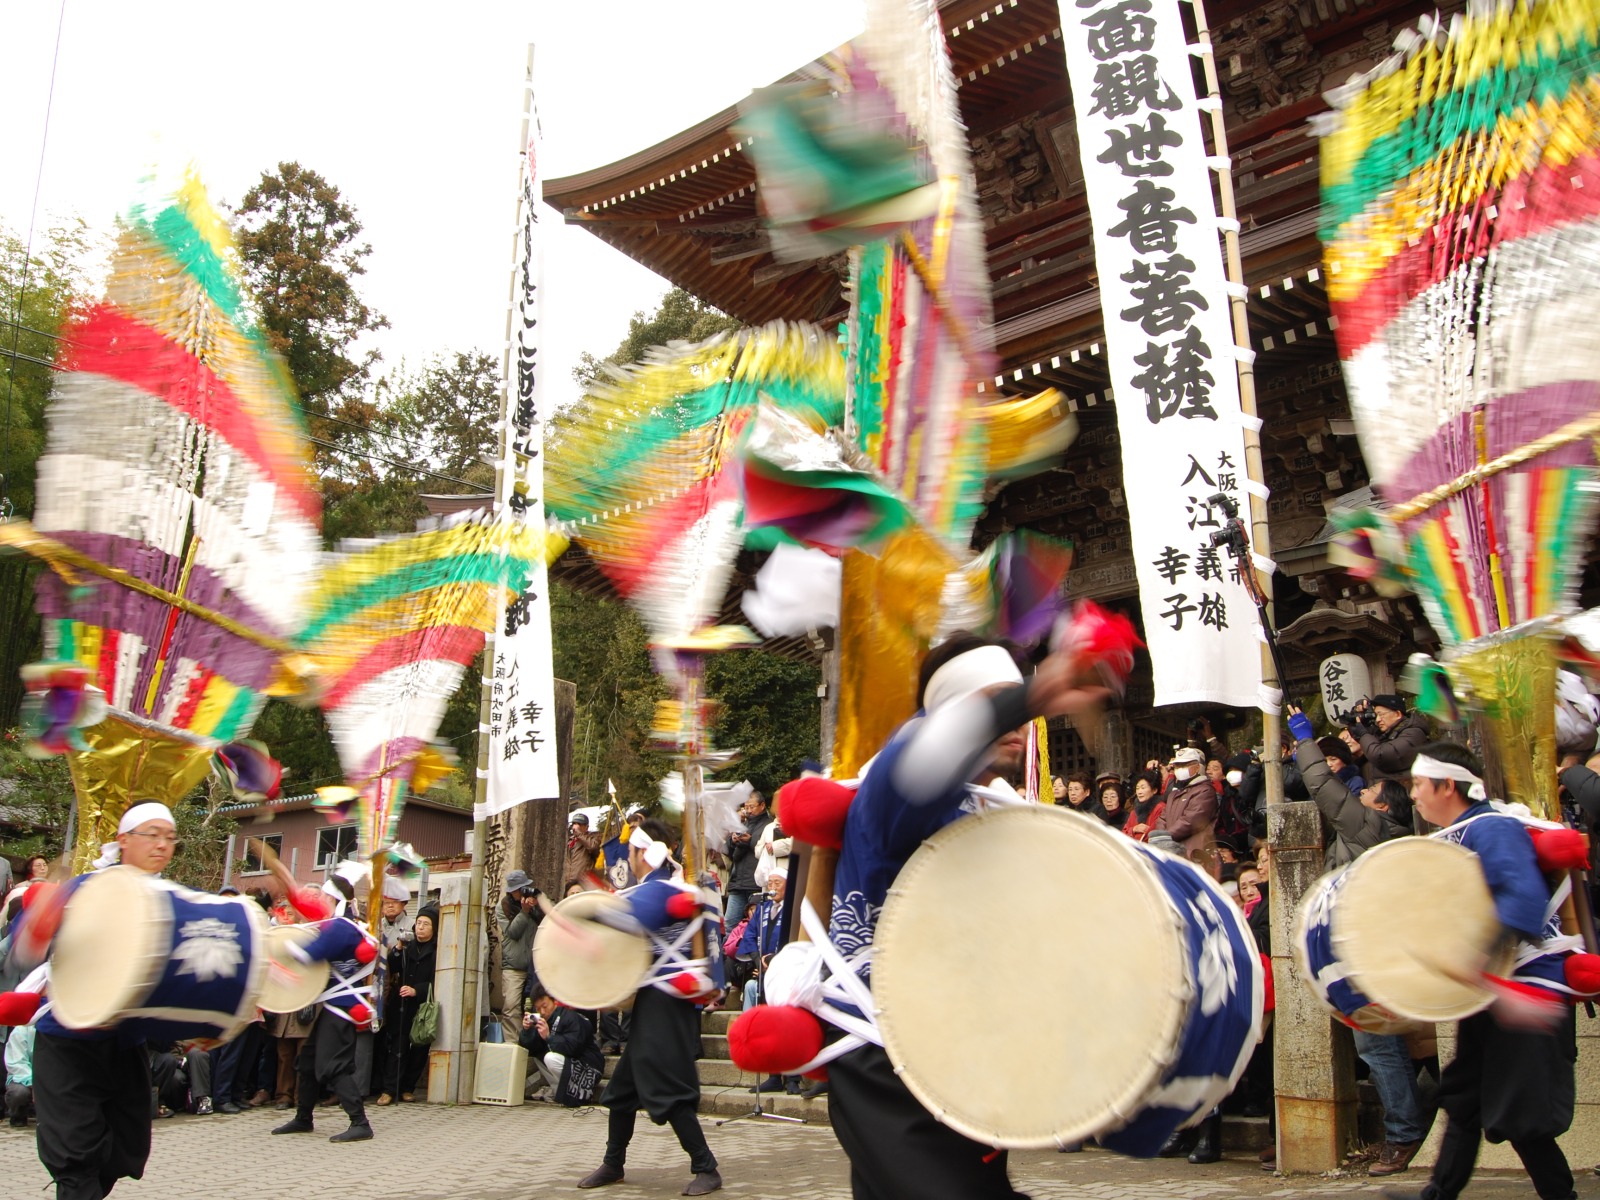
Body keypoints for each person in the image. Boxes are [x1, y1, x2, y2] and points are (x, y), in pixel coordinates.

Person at [819, 631, 1109, 1200]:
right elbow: (925, 755)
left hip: (963, 1051)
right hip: (884, 1054)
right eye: (996, 702)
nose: (1019, 718)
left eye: (1020, 703)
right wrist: (1035, 690)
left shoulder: (997, 810)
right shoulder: (894, 784)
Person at [1381, 741, 1577, 1200]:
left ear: (1448, 785)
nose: (1412, 795)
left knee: (1521, 1113)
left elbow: (1524, 899)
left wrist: (1478, 955)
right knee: (1465, 1099)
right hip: (1491, 989)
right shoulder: (1457, 835)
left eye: (1417, 784)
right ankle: (1438, 1194)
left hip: (1528, 984)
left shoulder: (1491, 827)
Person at [29, 801, 177, 1199]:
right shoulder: (88, 888)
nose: (162, 844)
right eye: (152, 834)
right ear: (123, 840)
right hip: (68, 1041)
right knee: (76, 1157)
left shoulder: (174, 900)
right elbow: (41, 940)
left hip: (124, 1043)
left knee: (122, 1149)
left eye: (169, 837)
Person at [574, 818, 724, 1196]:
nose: (627, 855)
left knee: (666, 1084)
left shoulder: (659, 891)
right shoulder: (661, 889)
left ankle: (706, 1167)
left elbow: (616, 916)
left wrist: (574, 913)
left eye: (630, 850)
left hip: (667, 1002)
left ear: (645, 852)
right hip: (656, 1001)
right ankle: (613, 1163)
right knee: (623, 1089)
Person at [271, 902, 381, 1143]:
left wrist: (279, 947)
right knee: (308, 1061)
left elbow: (307, 954)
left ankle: (360, 1123)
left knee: (333, 1065)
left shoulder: (342, 927)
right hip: (335, 1005)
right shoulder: (341, 926)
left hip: (342, 1006)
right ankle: (303, 1118)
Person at [1288, 705, 1414, 870]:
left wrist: (1305, 739)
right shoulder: (1398, 835)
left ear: (1383, 805)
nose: (1363, 790)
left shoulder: (1368, 824)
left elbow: (1324, 784)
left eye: (1372, 789)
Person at [738, 867, 796, 1095]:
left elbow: (794, 936)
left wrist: (774, 958)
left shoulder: (793, 910)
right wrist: (757, 959)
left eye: (777, 883)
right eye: (769, 883)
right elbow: (749, 936)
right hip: (765, 973)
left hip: (786, 972)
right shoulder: (762, 909)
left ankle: (793, 1076)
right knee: (769, 1026)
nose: (772, 888)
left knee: (787, 1025)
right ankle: (773, 1074)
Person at [378, 902, 437, 1105]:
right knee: (397, 1047)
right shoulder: (408, 945)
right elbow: (392, 968)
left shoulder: (437, 950)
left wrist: (417, 990)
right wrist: (397, 949)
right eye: (418, 923)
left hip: (422, 1005)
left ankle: (407, 1088)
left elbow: (437, 979)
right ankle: (389, 1089)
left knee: (419, 1048)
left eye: (425, 924)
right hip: (401, 1003)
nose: (420, 927)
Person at [525, 985, 604, 1106]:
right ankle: (558, 1092)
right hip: (569, 1062)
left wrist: (549, 1037)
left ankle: (567, 1093)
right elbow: (531, 1048)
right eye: (537, 1008)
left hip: (588, 1066)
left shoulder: (571, 1017)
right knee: (539, 1055)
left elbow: (573, 1047)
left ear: (555, 1000)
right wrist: (527, 1030)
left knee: (550, 1057)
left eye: (545, 1006)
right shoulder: (542, 1020)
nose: (542, 1012)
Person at [1157, 747, 1219, 874]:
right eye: (1177, 766)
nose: (1180, 769)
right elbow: (1162, 817)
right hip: (1172, 853)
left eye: (1184, 765)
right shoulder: (1174, 794)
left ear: (1197, 767)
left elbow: (1191, 820)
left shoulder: (1205, 791)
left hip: (1194, 855)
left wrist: (1166, 836)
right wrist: (1160, 836)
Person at [1343, 694, 1429, 784]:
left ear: (1398, 714)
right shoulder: (1387, 733)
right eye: (1375, 715)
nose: (1377, 720)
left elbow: (1379, 755)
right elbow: (1359, 735)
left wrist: (1364, 734)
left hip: (1400, 793)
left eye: (1381, 714)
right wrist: (1357, 715)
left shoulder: (1413, 733)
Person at [497, 870, 540, 1043]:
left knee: (535, 1005)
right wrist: (524, 912)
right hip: (513, 965)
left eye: (523, 888)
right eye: (516, 889)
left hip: (535, 965)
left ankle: (533, 1043)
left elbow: (547, 920)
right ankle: (513, 1045)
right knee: (511, 1006)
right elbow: (512, 933)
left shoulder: (535, 901)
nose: (520, 892)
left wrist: (536, 907)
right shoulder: (503, 907)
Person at [722, 792, 773, 932]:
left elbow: (765, 848)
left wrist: (749, 841)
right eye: (746, 807)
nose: (749, 810)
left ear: (762, 805)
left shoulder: (769, 825)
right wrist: (732, 840)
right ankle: (729, 953)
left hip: (756, 883)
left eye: (752, 807)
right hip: (738, 882)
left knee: (756, 926)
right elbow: (728, 851)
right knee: (730, 924)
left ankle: (754, 954)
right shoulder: (742, 824)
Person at [5, 1016, 34, 1127]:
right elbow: (17, 1064)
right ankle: (18, 1116)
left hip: (49, 1077)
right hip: (22, 1078)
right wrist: (35, 1083)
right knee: (19, 1093)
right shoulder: (21, 1030)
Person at [565, 813, 605, 891]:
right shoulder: (569, 840)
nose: (576, 826)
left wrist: (579, 834)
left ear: (586, 827)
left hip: (584, 884)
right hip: (568, 884)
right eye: (574, 823)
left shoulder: (593, 837)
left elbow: (594, 847)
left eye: (579, 824)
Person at [1124, 769, 1165, 842]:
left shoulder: (1160, 808)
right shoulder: (1134, 811)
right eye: (1137, 788)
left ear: (1154, 790)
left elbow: (1154, 833)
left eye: (1143, 788)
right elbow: (1123, 833)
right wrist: (1134, 829)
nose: (1139, 792)